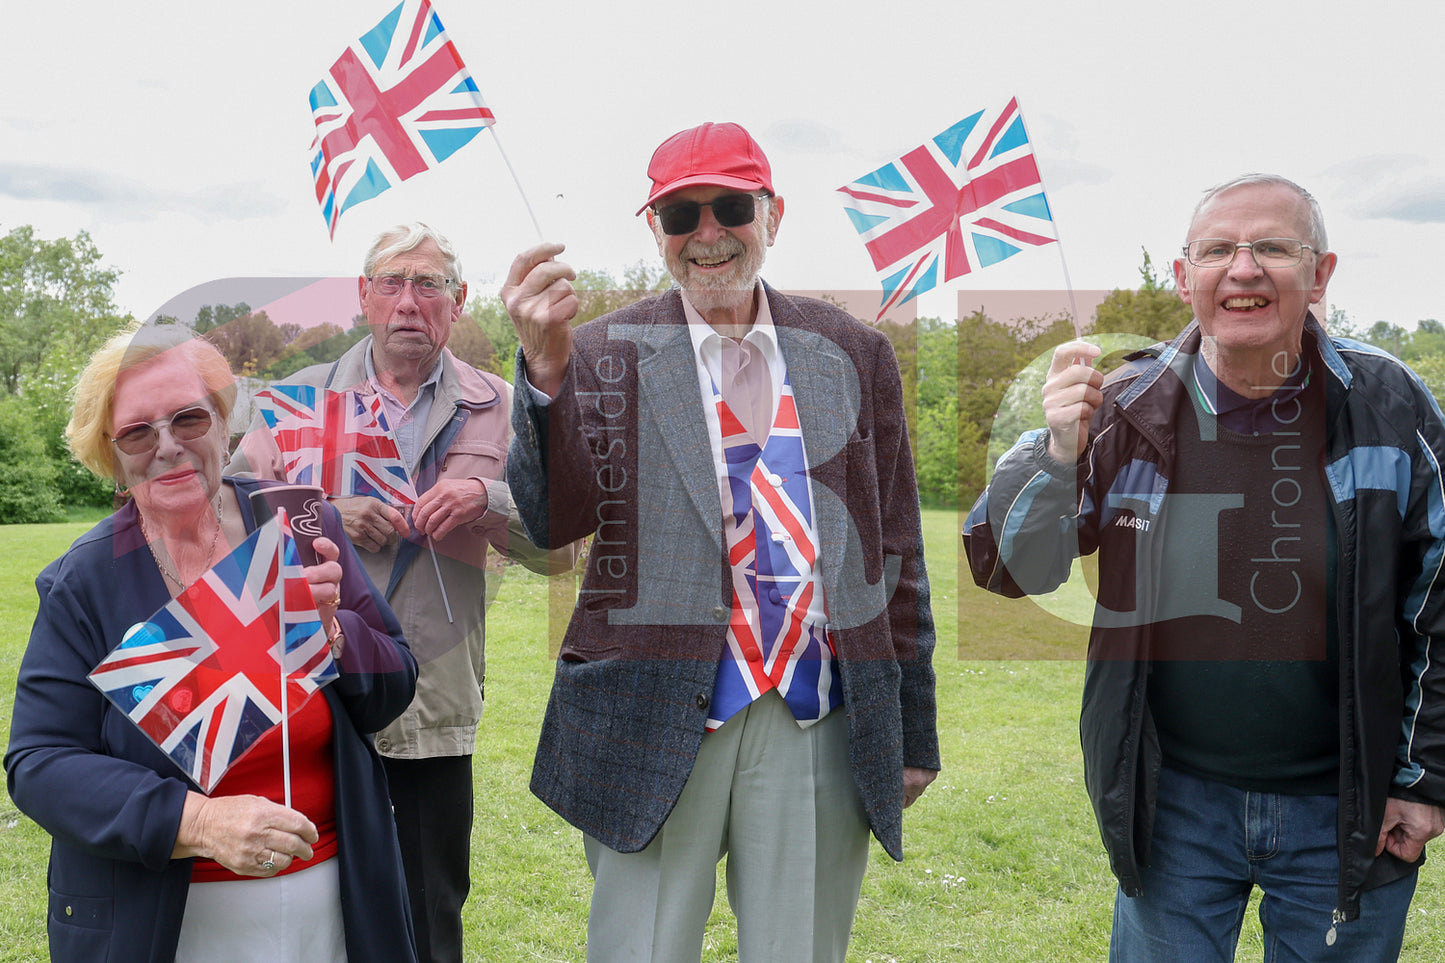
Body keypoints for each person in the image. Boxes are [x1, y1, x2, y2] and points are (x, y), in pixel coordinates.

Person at [963, 174, 1445, 961]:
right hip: (1173, 803)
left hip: (1347, 804)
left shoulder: (1388, 402)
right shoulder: (1125, 403)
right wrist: (1053, 452)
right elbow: (1010, 566)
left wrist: (1422, 779)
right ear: (1185, 278)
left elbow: (1440, 601)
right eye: (1217, 249)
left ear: (1320, 273)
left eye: (1273, 249)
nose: (1243, 268)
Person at [500, 121, 939, 962]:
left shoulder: (853, 350)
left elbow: (895, 547)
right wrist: (547, 376)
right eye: (679, 215)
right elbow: (556, 521)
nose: (706, 234)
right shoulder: (596, 351)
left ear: (773, 213)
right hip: (654, 711)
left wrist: (913, 731)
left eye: (730, 206)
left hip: (813, 711)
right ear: (655, 231)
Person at [5, 323, 418, 962]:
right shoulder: (84, 581)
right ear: (112, 453)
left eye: (189, 419)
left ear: (223, 423)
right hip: (167, 923)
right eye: (138, 432)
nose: (168, 446)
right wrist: (195, 822)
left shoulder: (300, 520)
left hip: (335, 907)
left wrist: (334, 634)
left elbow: (395, 685)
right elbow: (40, 763)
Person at [229, 222, 572, 963]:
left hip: (431, 710)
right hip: (310, 701)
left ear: (459, 302)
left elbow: (561, 547)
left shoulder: (505, 406)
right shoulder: (295, 402)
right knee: (303, 913)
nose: (408, 301)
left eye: (429, 285)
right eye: (391, 282)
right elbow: (227, 522)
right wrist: (324, 513)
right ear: (363, 296)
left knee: (425, 920)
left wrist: (487, 497)